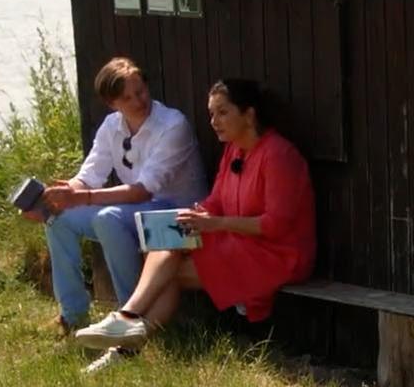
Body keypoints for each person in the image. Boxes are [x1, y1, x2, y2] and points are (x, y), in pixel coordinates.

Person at [75, 78, 316, 370]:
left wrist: (215, 223)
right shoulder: (234, 151)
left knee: (170, 268)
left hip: (278, 254)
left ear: (249, 115)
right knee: (169, 235)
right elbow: (216, 199)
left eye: (223, 113)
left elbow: (276, 225)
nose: (214, 121)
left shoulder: (279, 155)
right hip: (238, 241)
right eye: (211, 114)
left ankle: (125, 331)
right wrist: (194, 215)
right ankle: (126, 332)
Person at [40, 57, 207, 333]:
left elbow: (142, 190)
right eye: (127, 98)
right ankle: (72, 314)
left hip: (181, 217)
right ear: (112, 104)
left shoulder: (173, 125)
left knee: (109, 219)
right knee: (58, 218)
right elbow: (90, 175)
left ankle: (129, 316)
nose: (139, 101)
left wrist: (84, 198)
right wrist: (59, 196)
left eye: (140, 91)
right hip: (139, 210)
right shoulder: (111, 126)